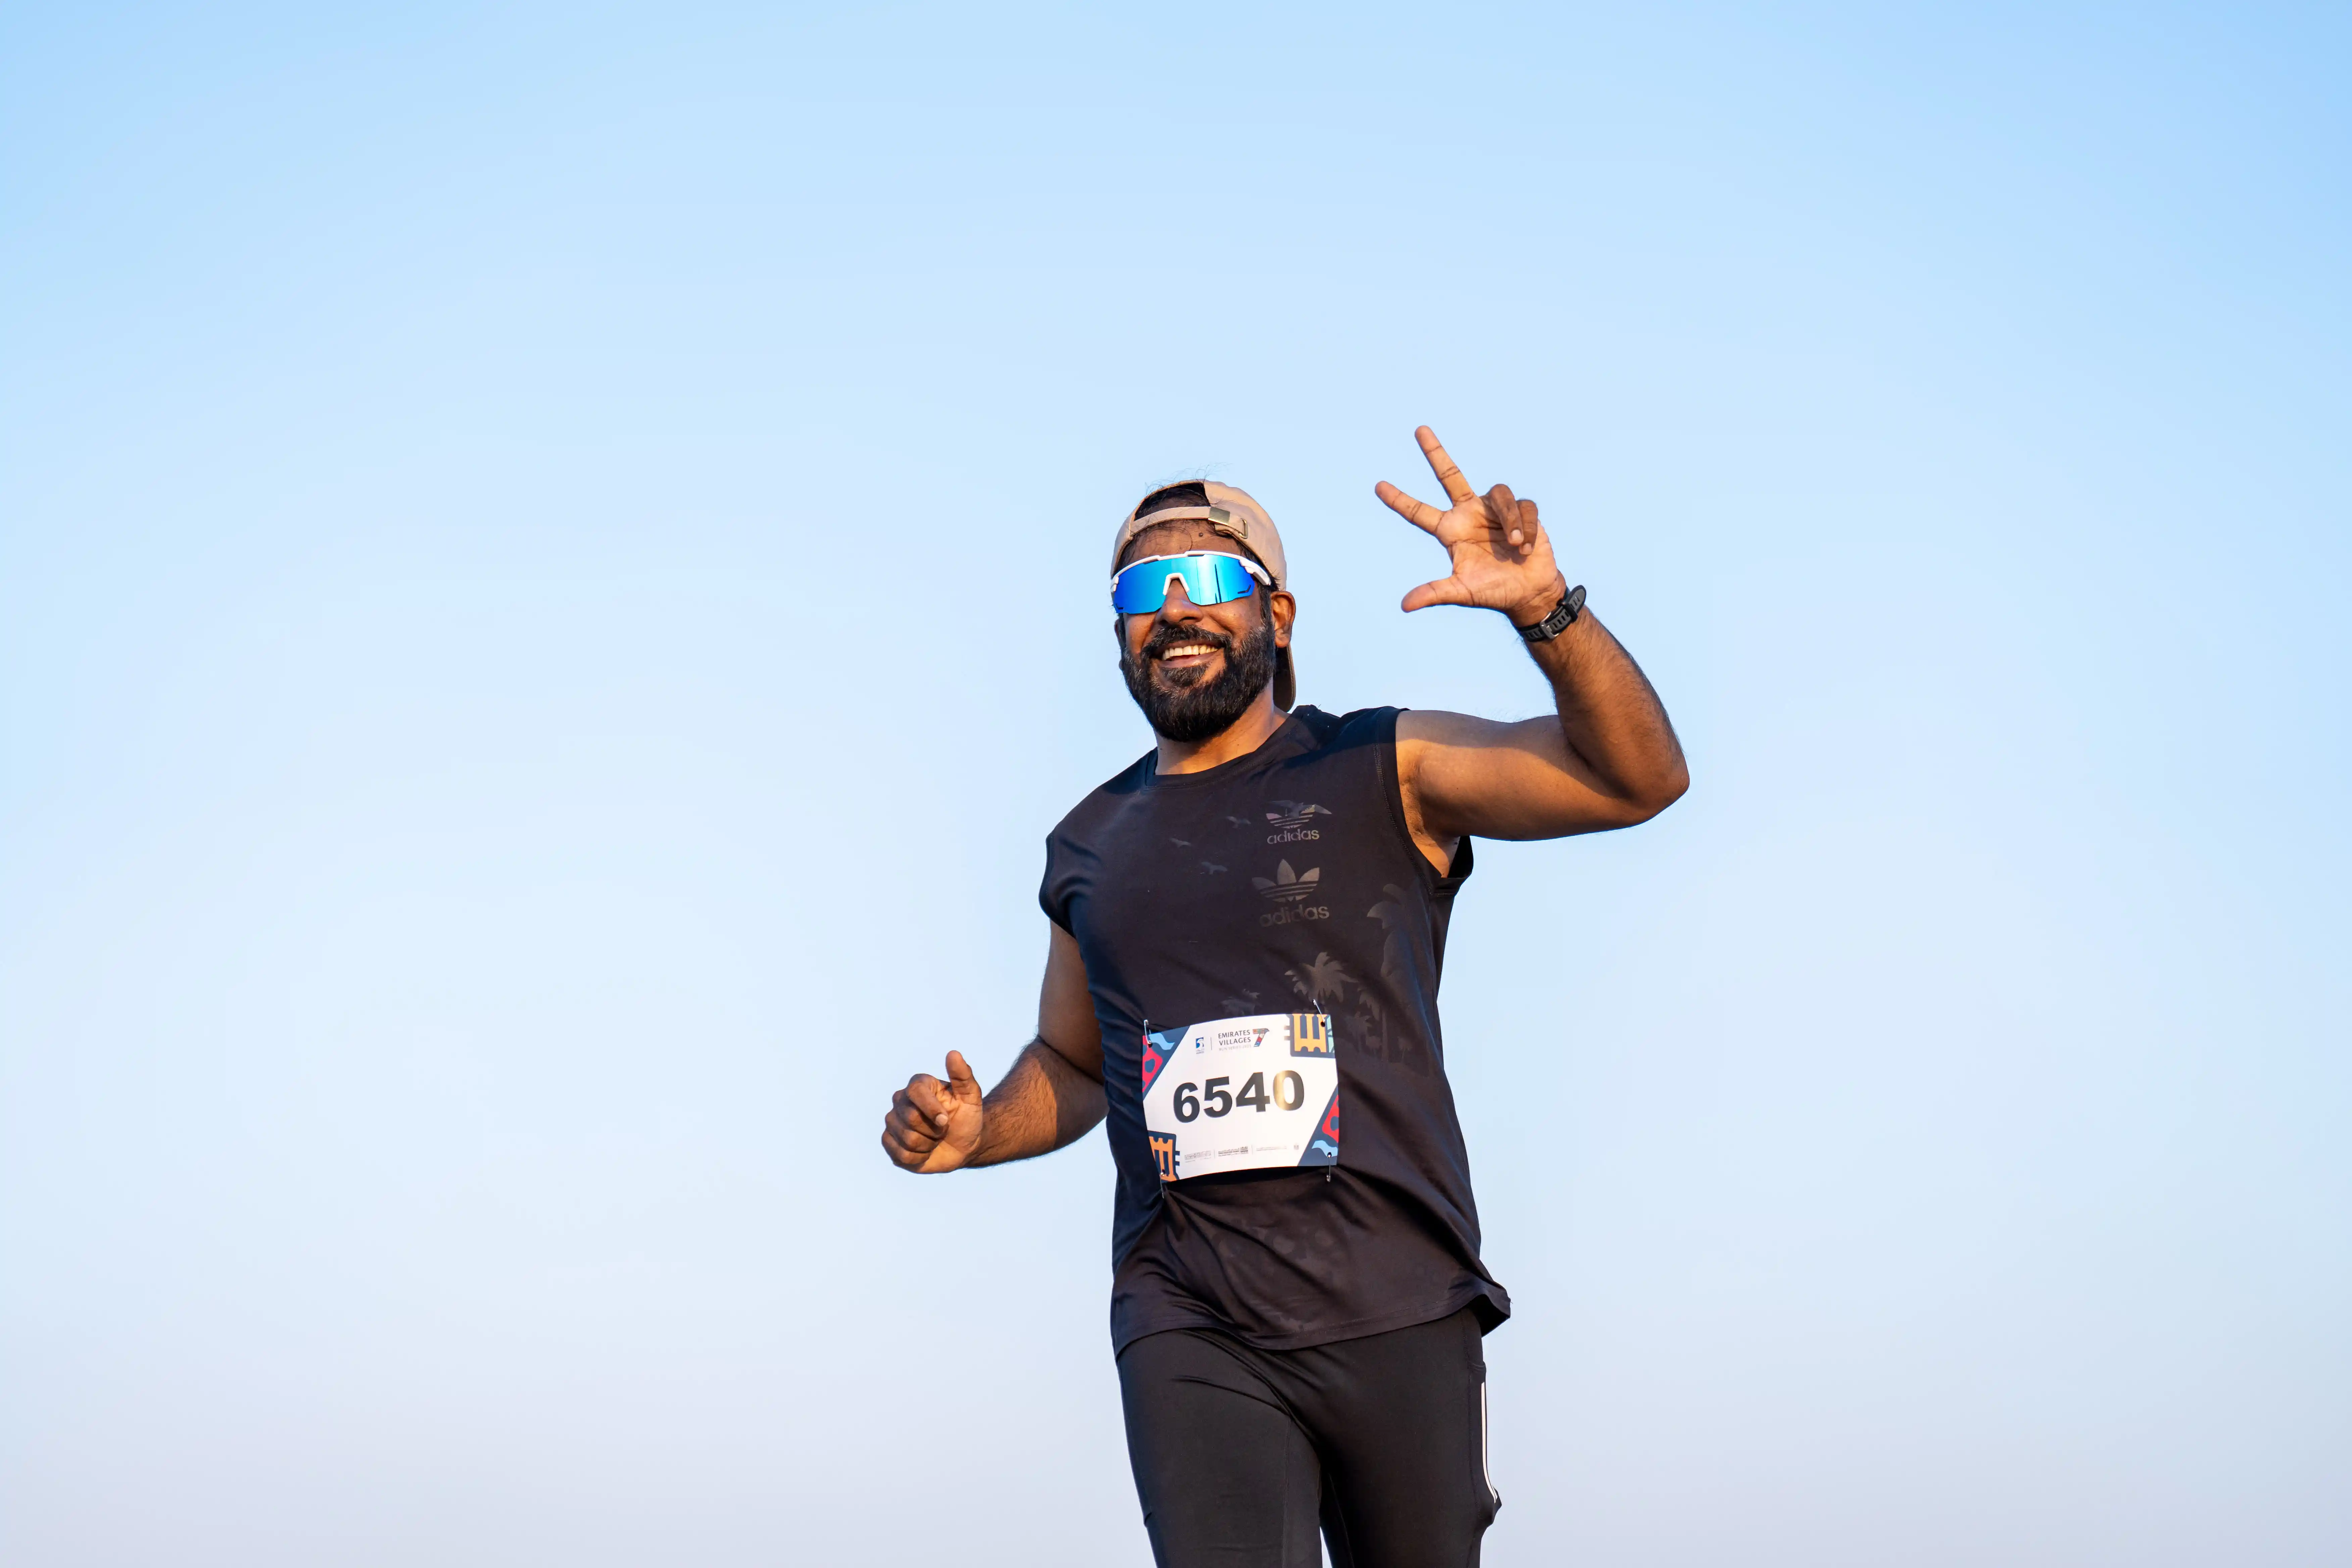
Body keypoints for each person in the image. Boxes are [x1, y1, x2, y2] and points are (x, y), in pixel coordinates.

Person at [879, 427, 1688, 1568]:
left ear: (1279, 614)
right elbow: (1073, 1063)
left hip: (1399, 1300)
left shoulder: (1383, 766)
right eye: (1142, 589)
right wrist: (979, 1130)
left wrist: (1545, 611)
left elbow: (1637, 779)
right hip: (1189, 1316)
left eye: (1208, 576)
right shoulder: (1088, 845)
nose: (1175, 608)